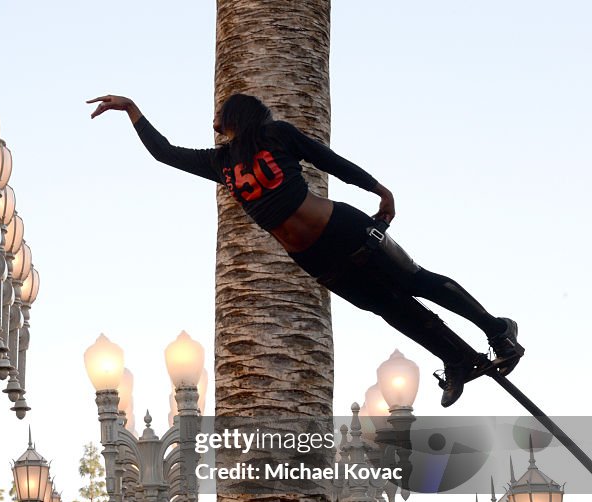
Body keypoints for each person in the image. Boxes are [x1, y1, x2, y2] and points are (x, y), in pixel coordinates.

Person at [87, 93, 523, 407]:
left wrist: (378, 189)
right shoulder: (220, 163)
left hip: (343, 227)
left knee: (415, 281)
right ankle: (457, 359)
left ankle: (497, 328)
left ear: (236, 115)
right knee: (392, 308)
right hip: (318, 261)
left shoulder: (278, 133)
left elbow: (329, 160)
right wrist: (132, 110)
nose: (213, 121)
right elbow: (165, 154)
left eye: (218, 114)